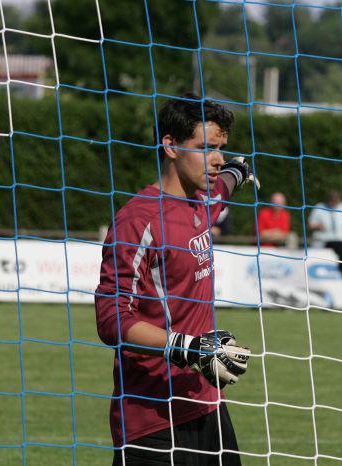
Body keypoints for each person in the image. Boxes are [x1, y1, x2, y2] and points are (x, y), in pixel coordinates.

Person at [95, 95, 259, 466]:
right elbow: (111, 318)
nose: (216, 159)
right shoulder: (137, 221)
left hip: (208, 405)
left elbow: (223, 189)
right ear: (169, 146)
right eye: (205, 148)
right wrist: (188, 348)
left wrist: (237, 170)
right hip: (152, 419)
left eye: (221, 149)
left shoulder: (202, 200)